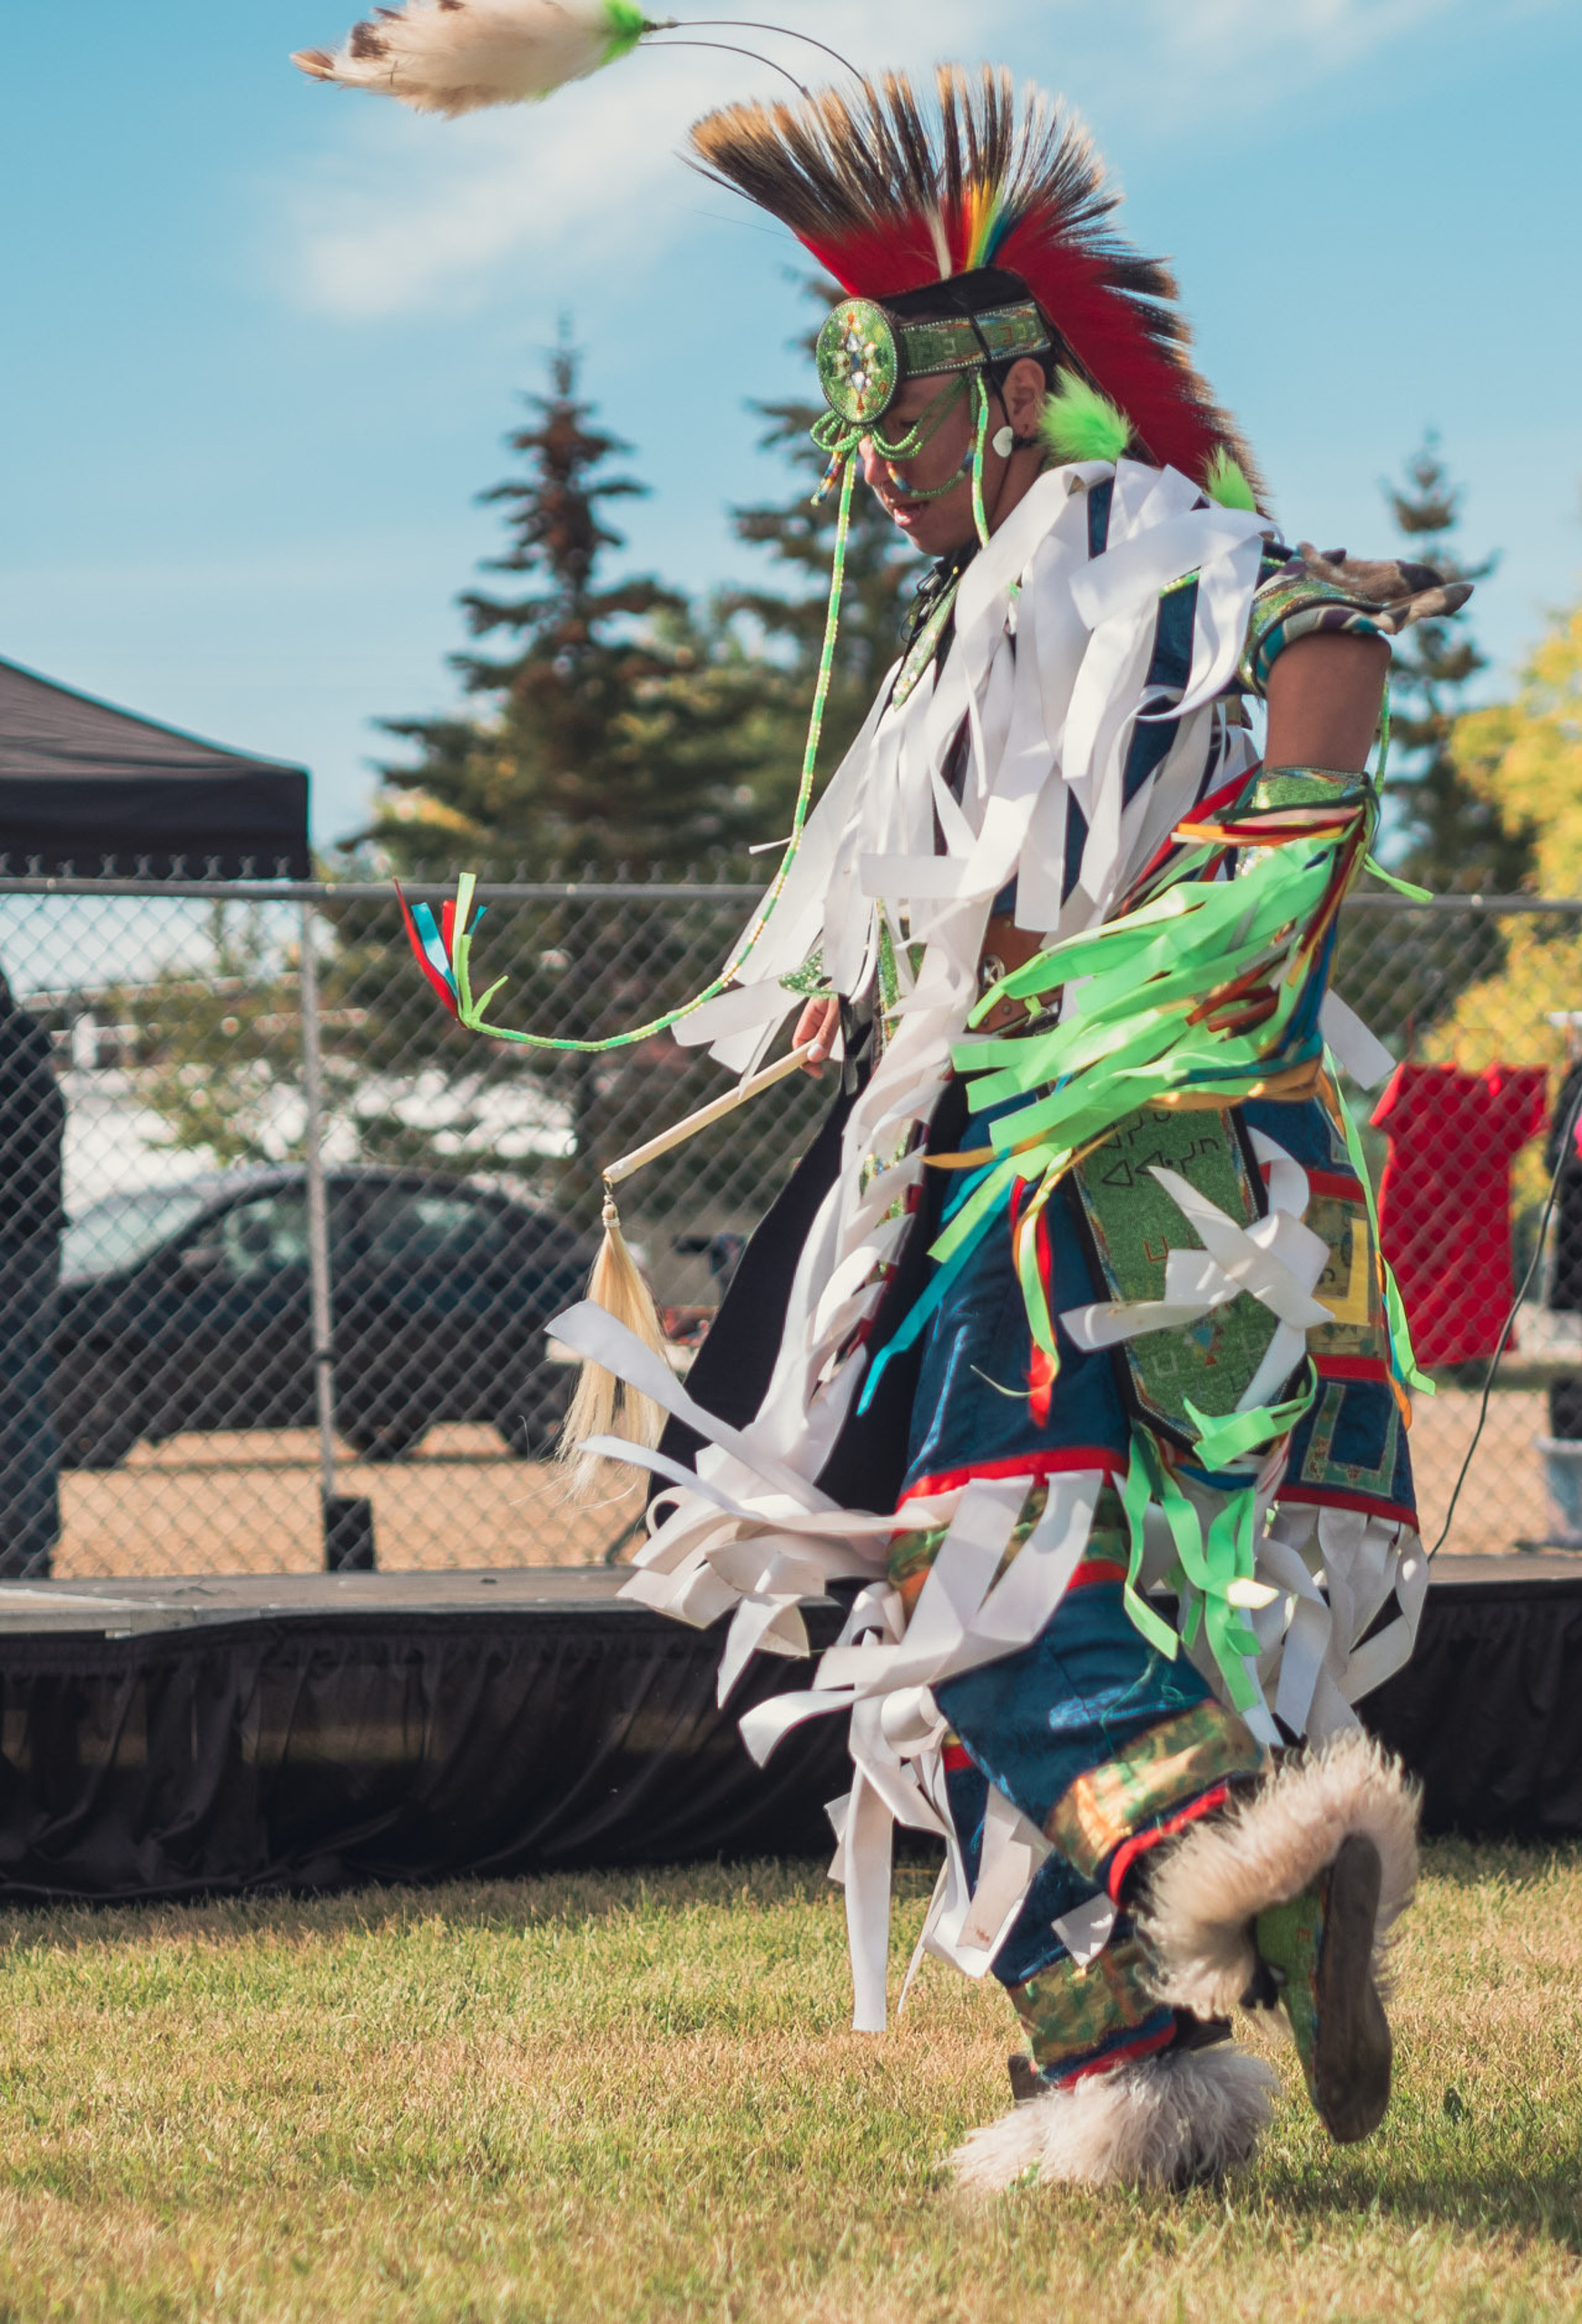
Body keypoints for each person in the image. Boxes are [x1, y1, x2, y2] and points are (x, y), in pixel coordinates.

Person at [297, 17, 1463, 2191]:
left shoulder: (1129, 526)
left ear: (1015, 384)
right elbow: (930, 900)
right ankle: (1122, 2056)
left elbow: (1326, 627)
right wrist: (866, 1001)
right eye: (853, 431)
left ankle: (1232, 1856)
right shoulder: (949, 636)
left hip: (1124, 1175)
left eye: (904, 416)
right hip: (987, 1162)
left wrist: (1243, 863)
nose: (874, 467)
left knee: (967, 1558)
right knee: (940, 1602)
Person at [0, 966, 66, 1580]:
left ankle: (21, 1540)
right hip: (36, 1237)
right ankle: (28, 1536)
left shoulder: (13, 1057)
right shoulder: (29, 1052)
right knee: (23, 1383)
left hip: (16, 1234)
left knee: (16, 1385)